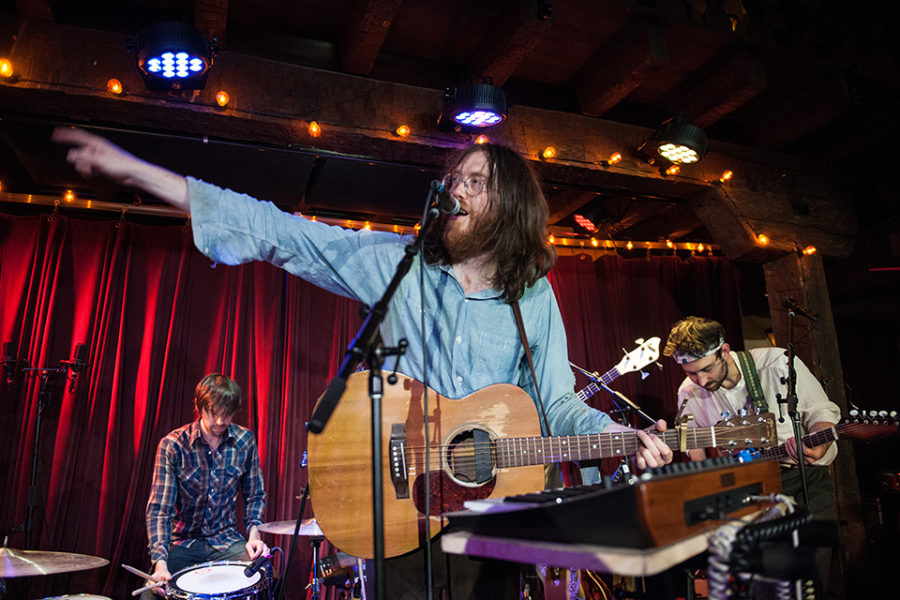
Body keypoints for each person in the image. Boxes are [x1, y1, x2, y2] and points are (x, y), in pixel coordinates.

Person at [54, 127, 673, 599]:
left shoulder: (532, 297)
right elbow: (284, 233)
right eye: (454, 178)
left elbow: (555, 403)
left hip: (492, 518)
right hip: (399, 509)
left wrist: (617, 435)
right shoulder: (398, 263)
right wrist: (139, 172)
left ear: (509, 203)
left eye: (475, 181)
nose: (455, 188)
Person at [663, 316, 840, 592]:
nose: (701, 380)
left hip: (805, 478)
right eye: (691, 373)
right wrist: (705, 475)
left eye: (706, 369)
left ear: (724, 351)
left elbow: (821, 412)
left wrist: (819, 445)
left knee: (809, 582)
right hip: (748, 489)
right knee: (764, 585)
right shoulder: (688, 392)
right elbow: (692, 442)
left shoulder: (776, 363)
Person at [143, 372, 268, 596]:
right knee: (151, 594)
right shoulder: (172, 445)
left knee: (265, 579)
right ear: (199, 406)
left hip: (226, 541)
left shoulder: (244, 441)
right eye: (213, 413)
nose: (220, 422)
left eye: (227, 414)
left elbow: (255, 495)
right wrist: (159, 563)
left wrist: (254, 535)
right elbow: (160, 511)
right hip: (183, 542)